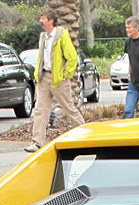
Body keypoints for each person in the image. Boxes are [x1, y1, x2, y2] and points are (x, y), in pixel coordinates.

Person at [25, 8, 84, 153]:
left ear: (51, 21)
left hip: (58, 79)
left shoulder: (61, 35)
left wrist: (66, 75)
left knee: (68, 107)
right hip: (44, 77)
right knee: (40, 109)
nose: (41, 20)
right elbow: (42, 56)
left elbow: (72, 57)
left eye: (43, 18)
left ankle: (86, 133)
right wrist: (37, 73)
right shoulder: (43, 37)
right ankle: (37, 142)